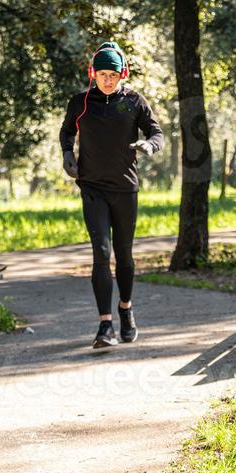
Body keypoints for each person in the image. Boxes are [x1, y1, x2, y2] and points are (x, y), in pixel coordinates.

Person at [59, 41, 164, 348]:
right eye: (102, 73)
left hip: (125, 188)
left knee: (125, 256)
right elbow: (67, 131)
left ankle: (126, 310)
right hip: (92, 187)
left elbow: (155, 131)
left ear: (123, 74)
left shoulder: (133, 101)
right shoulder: (80, 102)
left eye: (113, 74)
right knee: (101, 254)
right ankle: (105, 325)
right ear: (93, 73)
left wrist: (150, 145)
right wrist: (68, 154)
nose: (107, 79)